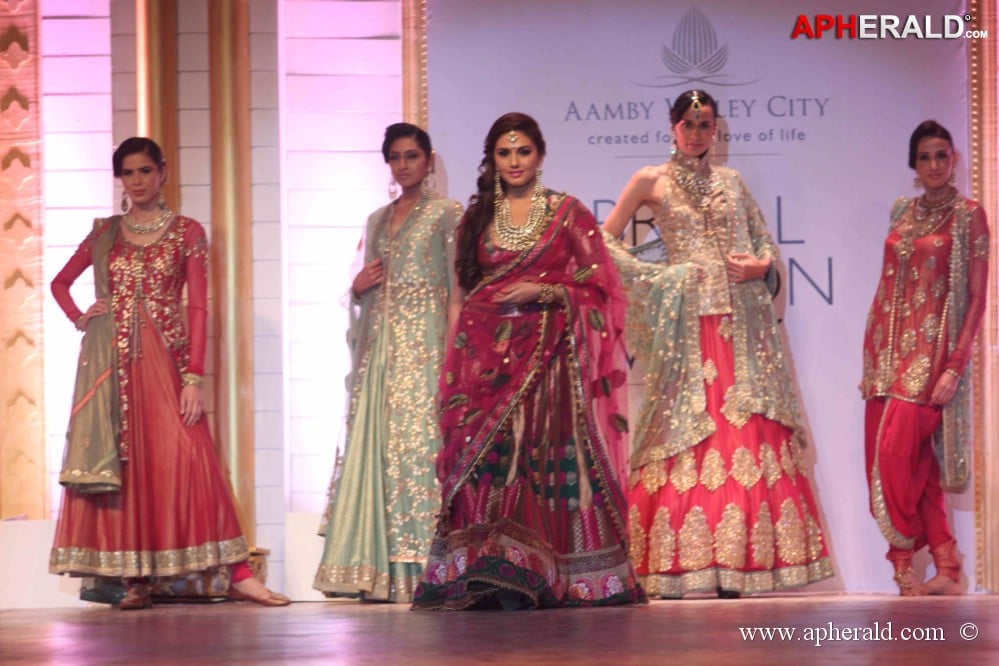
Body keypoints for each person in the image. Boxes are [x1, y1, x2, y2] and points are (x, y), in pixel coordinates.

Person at [601, 90, 833, 598]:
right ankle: (676, 565)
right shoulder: (650, 180)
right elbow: (604, 242)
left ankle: (738, 567)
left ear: (716, 130)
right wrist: (661, 279)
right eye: (688, 123)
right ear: (672, 127)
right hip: (688, 325)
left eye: (705, 125)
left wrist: (760, 266)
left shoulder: (732, 182)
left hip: (741, 329)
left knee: (746, 434)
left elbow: (766, 246)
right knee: (686, 433)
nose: (697, 133)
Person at [412, 112, 644, 610]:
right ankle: (485, 572)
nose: (514, 162)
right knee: (486, 463)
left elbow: (601, 285)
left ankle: (544, 572)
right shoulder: (476, 219)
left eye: (523, 152)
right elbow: (460, 296)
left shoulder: (568, 213)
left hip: (547, 364)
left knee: (538, 464)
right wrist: (450, 365)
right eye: (504, 152)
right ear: (492, 159)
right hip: (483, 361)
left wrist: (548, 289)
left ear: (539, 155)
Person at [49, 137, 289, 609]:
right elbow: (59, 283)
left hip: (168, 363)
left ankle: (240, 574)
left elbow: (197, 308)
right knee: (128, 468)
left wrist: (194, 377)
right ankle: (135, 580)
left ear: (162, 173)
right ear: (120, 179)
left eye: (144, 171)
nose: (137, 182)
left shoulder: (187, 233)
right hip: (112, 369)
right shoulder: (105, 234)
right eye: (128, 174)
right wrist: (82, 316)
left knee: (192, 459)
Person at [313, 123, 463, 602]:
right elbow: (362, 286)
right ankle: (376, 570)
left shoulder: (448, 215)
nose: (403, 166)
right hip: (380, 351)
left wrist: (453, 351)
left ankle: (425, 569)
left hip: (426, 346)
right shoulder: (376, 220)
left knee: (419, 449)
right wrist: (356, 288)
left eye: (412, 156)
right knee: (378, 451)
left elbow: (458, 291)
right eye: (395, 158)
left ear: (429, 160)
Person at [859, 120, 989, 596]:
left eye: (942, 155)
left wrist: (955, 363)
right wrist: (872, 348)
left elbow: (976, 297)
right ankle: (947, 567)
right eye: (925, 157)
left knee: (892, 458)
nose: (934, 165)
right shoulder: (901, 212)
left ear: (954, 159)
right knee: (913, 464)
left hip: (929, 357)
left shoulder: (968, 215)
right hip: (883, 352)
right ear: (913, 165)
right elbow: (886, 283)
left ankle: (901, 566)